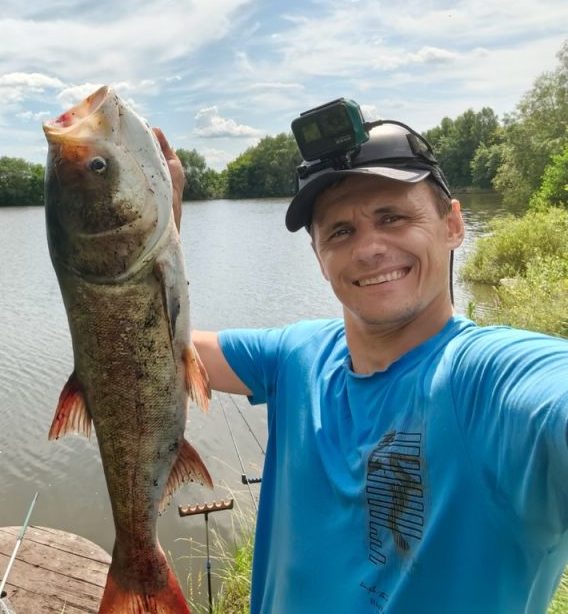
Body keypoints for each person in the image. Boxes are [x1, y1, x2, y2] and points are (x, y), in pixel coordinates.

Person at [154, 121, 568, 614]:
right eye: (341, 231)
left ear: (453, 225)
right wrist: (152, 224)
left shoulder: (492, 378)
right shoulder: (295, 355)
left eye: (392, 217)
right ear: (318, 256)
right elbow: (144, 345)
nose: (369, 248)